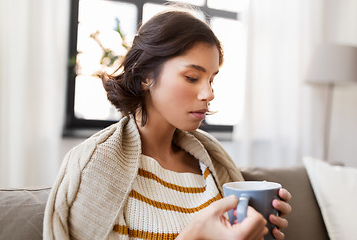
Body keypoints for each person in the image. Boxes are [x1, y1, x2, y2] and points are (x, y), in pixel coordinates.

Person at [44, 9, 291, 240]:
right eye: (192, 77)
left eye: (211, 80)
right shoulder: (96, 165)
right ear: (145, 76)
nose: (208, 93)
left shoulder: (211, 163)